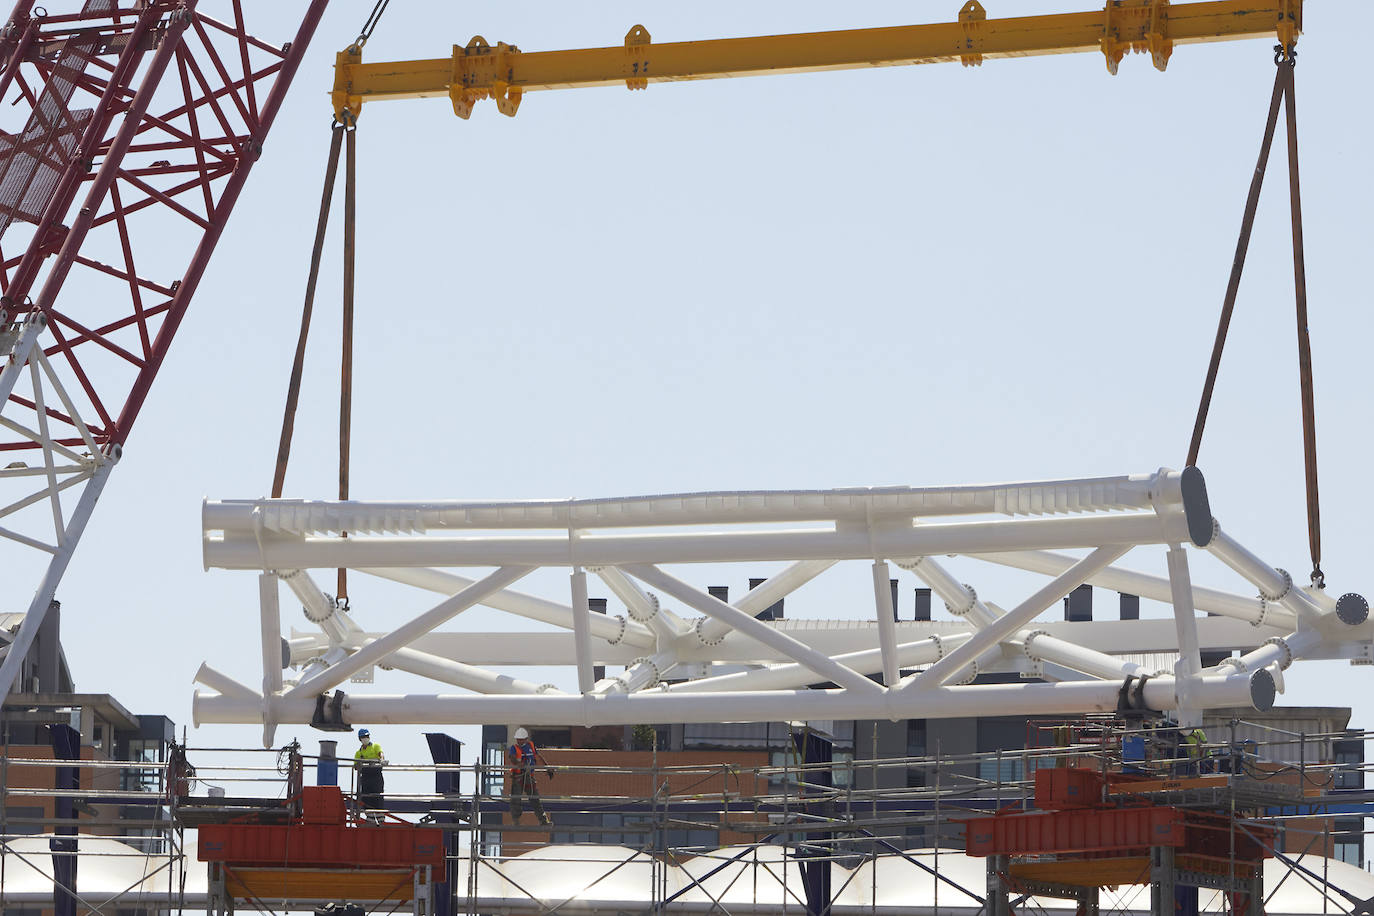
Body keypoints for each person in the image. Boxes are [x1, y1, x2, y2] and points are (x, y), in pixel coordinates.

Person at [508, 727, 554, 826]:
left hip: (529, 777)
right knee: (516, 799)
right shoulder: (514, 748)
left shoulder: (531, 746)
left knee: (535, 799)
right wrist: (518, 763)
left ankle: (543, 821)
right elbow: (512, 758)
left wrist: (547, 767)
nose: (519, 741)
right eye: (518, 739)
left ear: (525, 738)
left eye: (521, 739)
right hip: (518, 777)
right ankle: (516, 821)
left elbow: (538, 756)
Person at [354, 728, 386, 823]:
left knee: (377, 795)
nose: (366, 738)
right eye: (364, 737)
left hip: (376, 775)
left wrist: (382, 760)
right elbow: (356, 766)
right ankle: (370, 817)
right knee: (366, 796)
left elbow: (381, 754)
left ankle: (380, 817)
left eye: (367, 736)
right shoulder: (359, 752)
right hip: (366, 776)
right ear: (360, 739)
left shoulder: (375, 746)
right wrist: (360, 764)